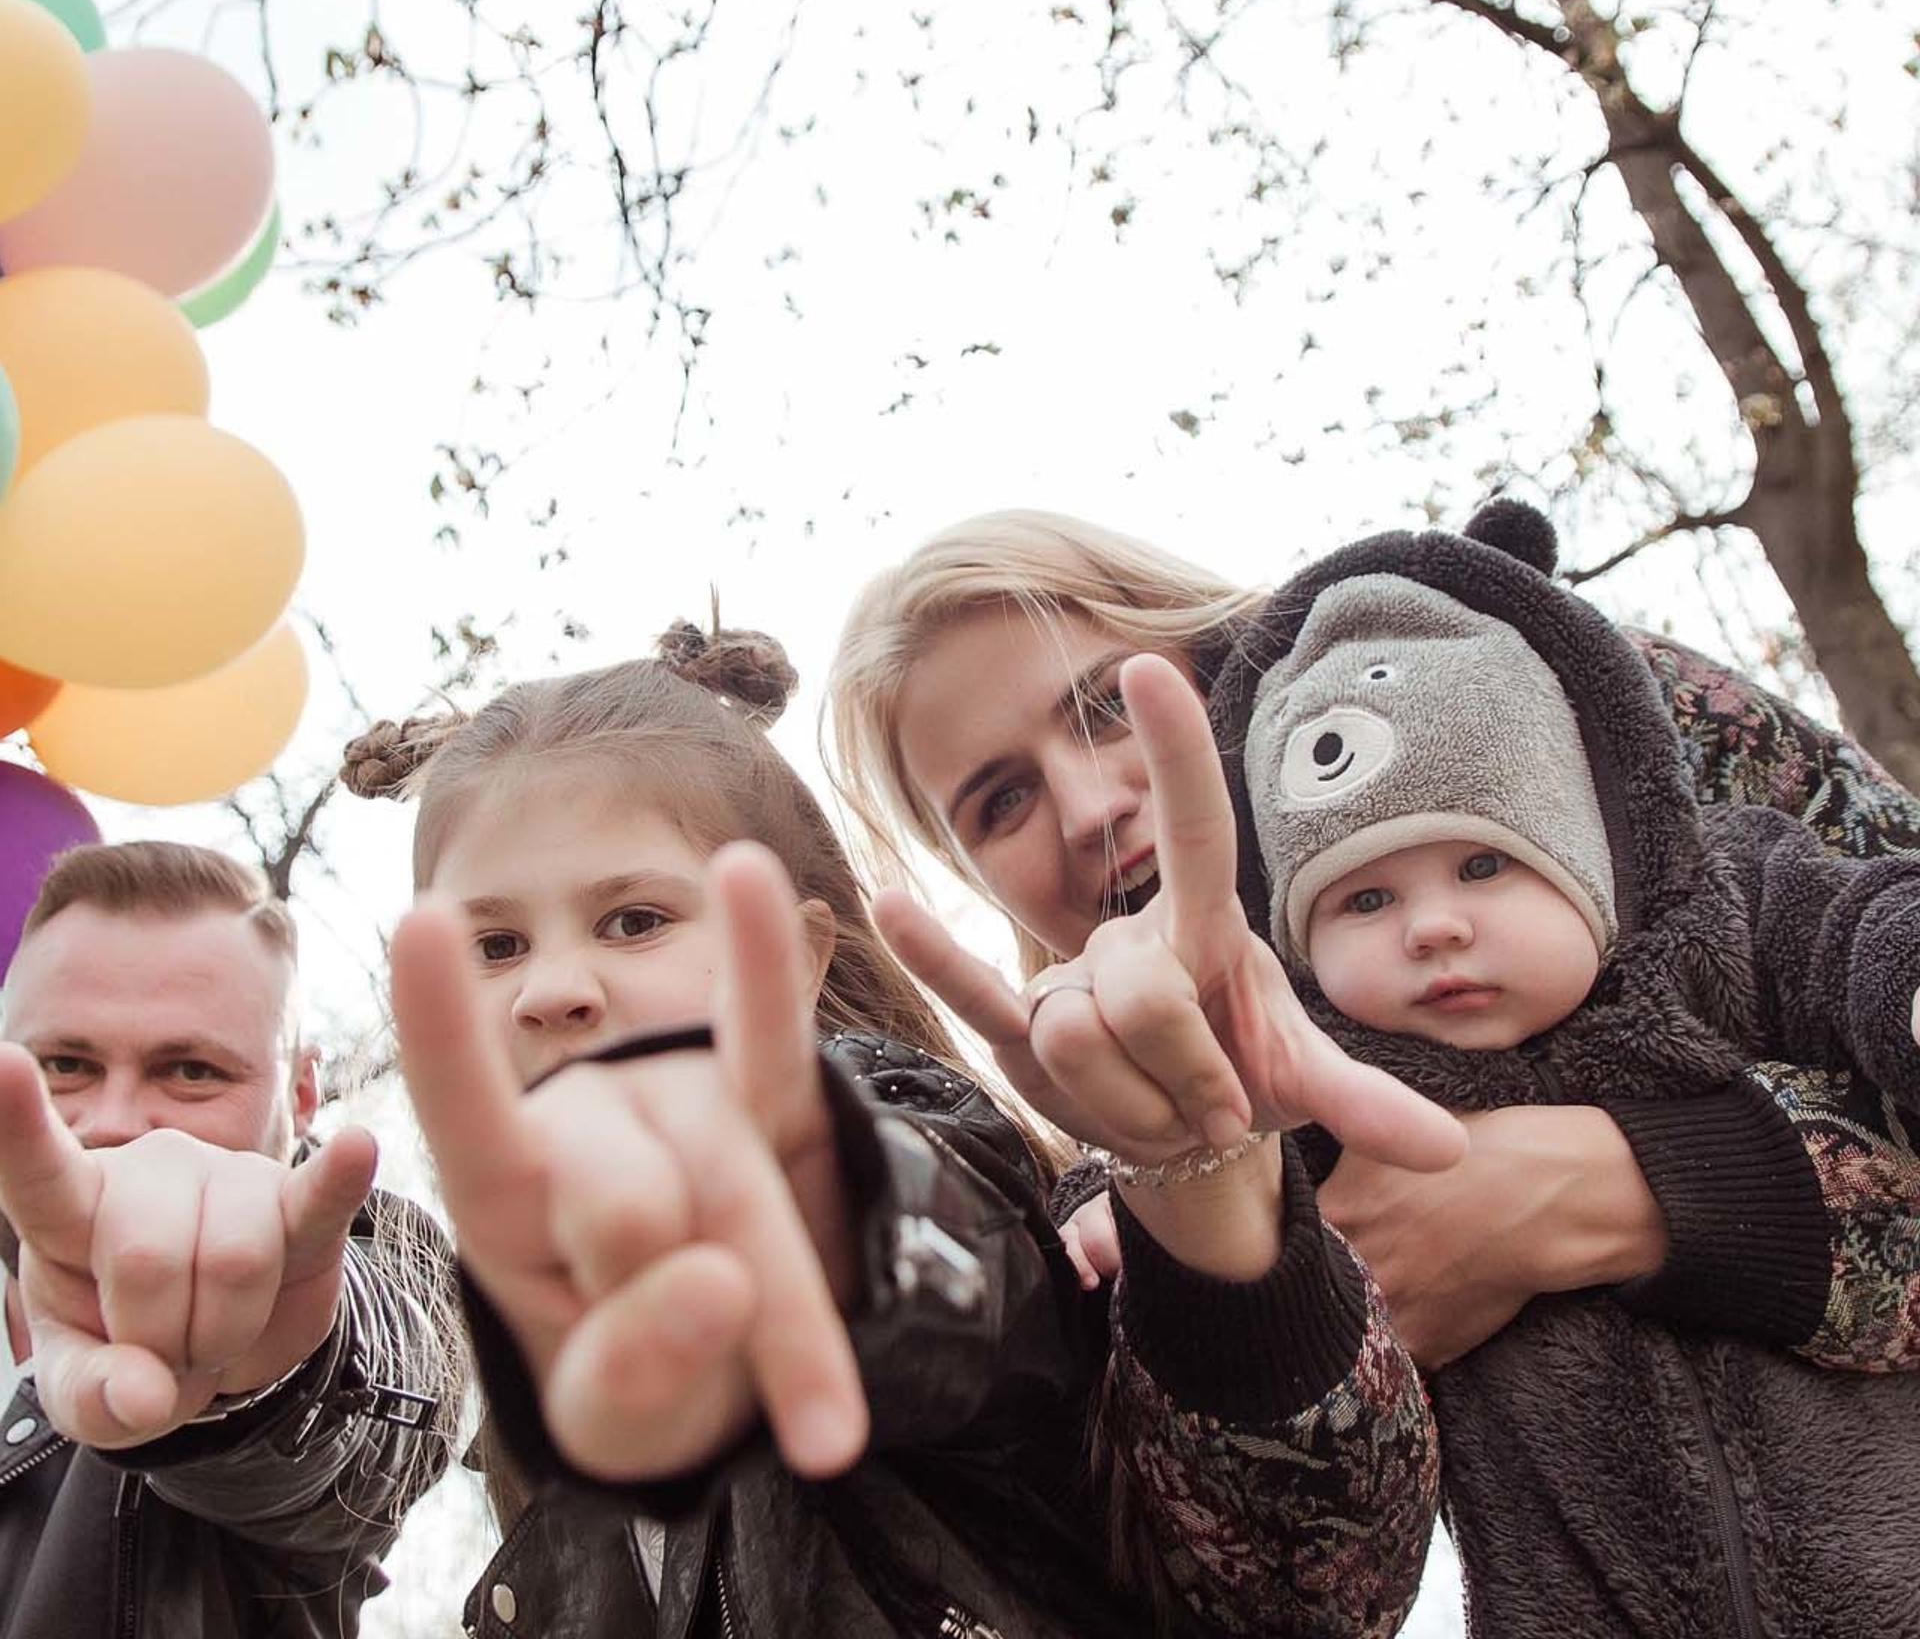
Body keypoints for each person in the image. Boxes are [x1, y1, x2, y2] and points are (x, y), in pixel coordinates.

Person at [337, 623, 1451, 1639]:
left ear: (801, 952)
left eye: (635, 921)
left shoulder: (904, 1127)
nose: (551, 989)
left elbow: (947, 1253)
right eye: (492, 948)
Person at [828, 509, 1920, 1374]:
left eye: (1105, 708)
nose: (1084, 809)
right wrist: (1204, 1225)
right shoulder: (1133, 1135)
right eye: (1000, 802)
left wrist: (1630, 1186)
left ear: (1209, 651)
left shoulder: (1543, 696)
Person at [1210, 497, 1920, 1634]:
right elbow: (1212, 1146)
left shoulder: (1720, 909)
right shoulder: (1331, 1082)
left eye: (1485, 863)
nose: (1432, 926)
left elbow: (1863, 927)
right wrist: (1137, 1207)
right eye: (1366, 898)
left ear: (1589, 843)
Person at [0, 840, 454, 1639]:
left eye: (192, 1071)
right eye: (66, 1063)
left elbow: (384, 1399)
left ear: (303, 1093)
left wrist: (259, 1379)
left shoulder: (379, 1263)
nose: (111, 1121)